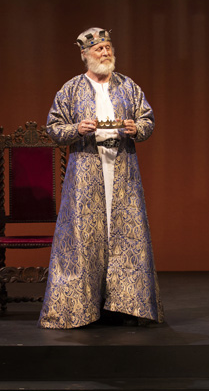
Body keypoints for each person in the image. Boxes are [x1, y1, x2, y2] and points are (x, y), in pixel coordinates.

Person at [38, 28, 163, 329]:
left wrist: (137, 128)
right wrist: (76, 129)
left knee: (124, 234)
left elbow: (148, 119)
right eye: (99, 50)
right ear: (85, 55)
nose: (106, 53)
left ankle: (127, 306)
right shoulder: (70, 90)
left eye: (108, 48)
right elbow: (54, 128)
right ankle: (81, 308)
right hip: (86, 171)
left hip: (122, 168)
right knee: (85, 236)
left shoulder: (128, 86)